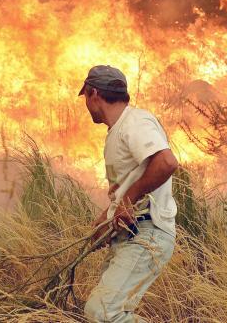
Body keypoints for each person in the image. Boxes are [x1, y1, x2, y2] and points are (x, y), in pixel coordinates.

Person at [78, 65, 178, 323]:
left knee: (102, 313)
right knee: (104, 312)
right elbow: (131, 186)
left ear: (94, 93)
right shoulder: (118, 131)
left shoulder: (136, 122)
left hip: (149, 233)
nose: (86, 104)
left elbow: (166, 162)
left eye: (86, 97)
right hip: (131, 234)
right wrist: (107, 217)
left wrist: (125, 201)